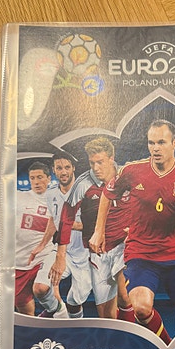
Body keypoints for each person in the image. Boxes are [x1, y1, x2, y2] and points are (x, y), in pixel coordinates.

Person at [89, 120, 175, 344]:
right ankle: (168, 347)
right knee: (141, 308)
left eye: (161, 142)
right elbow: (107, 194)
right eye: (151, 143)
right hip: (141, 253)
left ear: (174, 143)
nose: (155, 148)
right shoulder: (132, 171)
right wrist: (98, 231)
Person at [49, 137, 134, 322]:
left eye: (100, 162)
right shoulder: (83, 183)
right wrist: (60, 256)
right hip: (98, 253)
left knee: (125, 295)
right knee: (107, 316)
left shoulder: (128, 176)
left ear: (111, 158)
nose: (95, 168)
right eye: (91, 163)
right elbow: (66, 218)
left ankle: (133, 335)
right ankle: (117, 336)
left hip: (126, 245)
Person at [29, 151, 93, 319]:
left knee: (74, 302)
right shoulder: (51, 193)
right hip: (61, 251)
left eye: (67, 167)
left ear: (73, 168)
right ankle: (57, 311)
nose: (63, 172)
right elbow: (53, 218)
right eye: (59, 168)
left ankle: (74, 326)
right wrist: (42, 244)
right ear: (54, 170)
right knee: (40, 288)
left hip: (86, 256)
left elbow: (96, 226)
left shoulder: (88, 191)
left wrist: (68, 224)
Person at [15, 161, 53, 315]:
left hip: (44, 257)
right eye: (32, 178)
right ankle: (39, 321)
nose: (36, 182)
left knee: (42, 288)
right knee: (22, 306)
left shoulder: (57, 200)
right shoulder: (18, 197)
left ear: (49, 179)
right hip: (20, 260)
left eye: (40, 177)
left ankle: (57, 313)